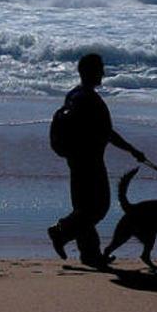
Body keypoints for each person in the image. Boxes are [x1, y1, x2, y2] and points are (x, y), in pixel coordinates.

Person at [48, 53, 146, 266]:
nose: (102, 72)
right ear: (90, 71)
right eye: (99, 68)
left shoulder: (73, 95)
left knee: (83, 208)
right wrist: (131, 150)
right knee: (98, 208)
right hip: (90, 161)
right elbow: (108, 133)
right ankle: (61, 232)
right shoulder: (91, 100)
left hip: (75, 159)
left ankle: (90, 255)